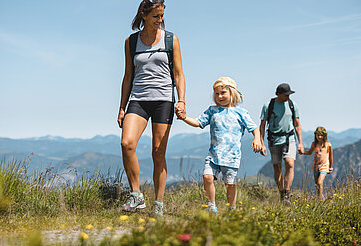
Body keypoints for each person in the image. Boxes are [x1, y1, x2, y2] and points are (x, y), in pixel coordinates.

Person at [117, 0, 186, 217]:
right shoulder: (131, 42)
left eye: (162, 15)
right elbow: (128, 76)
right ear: (144, 15)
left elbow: (178, 73)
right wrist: (121, 107)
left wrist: (181, 100)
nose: (160, 20)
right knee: (126, 143)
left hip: (163, 100)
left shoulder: (170, 39)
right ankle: (136, 196)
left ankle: (158, 203)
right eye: (156, 16)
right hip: (138, 99)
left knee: (158, 153)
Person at [176, 77, 262, 215]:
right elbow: (198, 123)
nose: (219, 96)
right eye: (216, 94)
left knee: (230, 184)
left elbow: (254, 128)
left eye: (223, 93)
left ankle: (231, 210)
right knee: (207, 177)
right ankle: (211, 207)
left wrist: (257, 139)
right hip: (214, 154)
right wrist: (185, 118)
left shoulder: (241, 113)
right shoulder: (212, 111)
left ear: (232, 93)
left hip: (231, 156)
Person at [259, 83, 304, 204]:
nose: (288, 97)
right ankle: (281, 193)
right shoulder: (268, 106)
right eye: (285, 95)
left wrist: (301, 143)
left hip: (290, 138)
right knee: (277, 167)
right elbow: (262, 125)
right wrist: (261, 143)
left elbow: (297, 124)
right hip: (274, 140)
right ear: (278, 94)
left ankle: (286, 193)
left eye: (289, 94)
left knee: (290, 163)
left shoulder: (292, 105)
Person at [301, 127, 333, 201]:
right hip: (315, 167)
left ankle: (320, 200)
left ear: (324, 136)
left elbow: (331, 157)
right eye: (318, 135)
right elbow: (309, 152)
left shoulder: (328, 145)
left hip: (324, 166)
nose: (319, 137)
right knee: (317, 185)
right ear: (315, 135)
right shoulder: (314, 144)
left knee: (319, 182)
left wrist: (330, 167)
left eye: (321, 135)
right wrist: (303, 152)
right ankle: (320, 197)